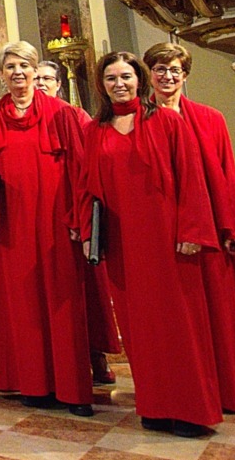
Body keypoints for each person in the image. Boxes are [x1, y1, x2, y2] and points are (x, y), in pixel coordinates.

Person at [80, 52, 221, 437]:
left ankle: (191, 410)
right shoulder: (96, 131)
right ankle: (155, 406)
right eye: (110, 78)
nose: (119, 84)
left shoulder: (167, 122)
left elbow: (191, 179)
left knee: (181, 326)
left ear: (139, 80)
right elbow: (86, 187)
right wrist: (89, 235)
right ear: (101, 85)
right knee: (140, 330)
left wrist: (193, 232)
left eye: (125, 76)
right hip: (123, 244)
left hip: (170, 241)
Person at [0, 42, 93, 417]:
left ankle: (73, 390)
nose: (18, 73)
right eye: (10, 67)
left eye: (24, 65)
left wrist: (79, 219)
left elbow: (81, 171)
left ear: (35, 70)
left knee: (62, 303)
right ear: (2, 75)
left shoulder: (63, 113)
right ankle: (34, 384)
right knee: (23, 304)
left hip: (57, 223)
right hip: (13, 226)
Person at [143, 42, 235, 414]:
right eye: (160, 69)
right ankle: (188, 395)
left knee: (220, 316)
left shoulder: (211, 119)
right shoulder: (138, 120)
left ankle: (228, 393)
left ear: (186, 75)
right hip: (160, 236)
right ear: (149, 73)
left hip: (210, 231)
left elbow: (227, 176)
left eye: (175, 69)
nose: (167, 76)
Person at [37, 56, 122, 385]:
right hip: (44, 219)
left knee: (85, 295)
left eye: (48, 78)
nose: (41, 84)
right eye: (37, 78)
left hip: (74, 220)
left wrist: (80, 219)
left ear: (59, 84)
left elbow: (85, 171)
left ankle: (94, 357)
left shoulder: (74, 116)